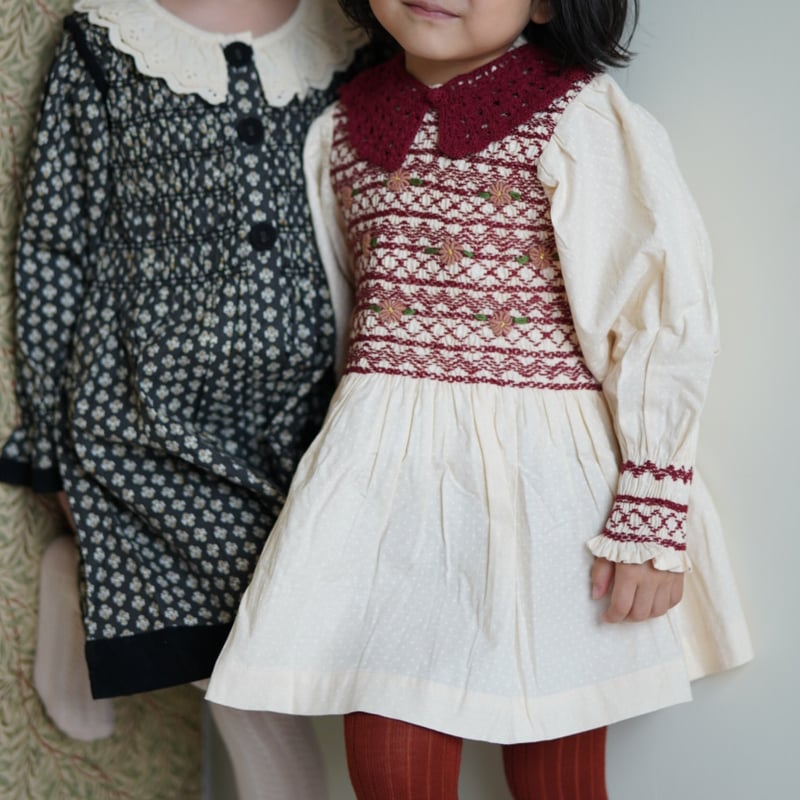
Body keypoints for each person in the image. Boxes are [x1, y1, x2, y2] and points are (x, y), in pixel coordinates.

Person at [206, 0, 754, 796]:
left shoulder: (575, 115)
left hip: (544, 489)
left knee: (556, 769)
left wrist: (652, 500)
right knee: (389, 755)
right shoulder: (341, 130)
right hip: (383, 486)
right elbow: (343, 309)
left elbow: (653, 306)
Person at [0, 0, 371, 795]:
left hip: (305, 423)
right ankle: (93, 561)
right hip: (150, 417)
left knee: (299, 644)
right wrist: (49, 439)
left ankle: (87, 571)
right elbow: (55, 241)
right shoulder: (111, 41)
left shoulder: (352, 34)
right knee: (251, 683)